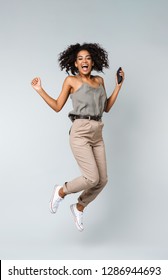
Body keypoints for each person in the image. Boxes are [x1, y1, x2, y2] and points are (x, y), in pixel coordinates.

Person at [31, 42, 125, 232]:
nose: (84, 61)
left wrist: (118, 87)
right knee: (92, 178)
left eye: (88, 58)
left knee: (102, 180)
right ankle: (62, 190)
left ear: (93, 62)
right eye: (80, 58)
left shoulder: (99, 81)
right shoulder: (70, 81)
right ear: (75, 64)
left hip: (98, 131)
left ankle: (79, 206)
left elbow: (106, 107)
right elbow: (58, 106)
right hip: (80, 131)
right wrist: (40, 90)